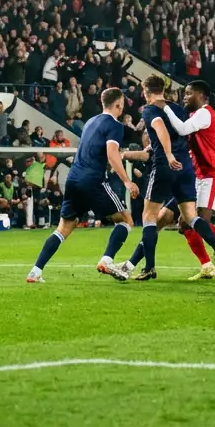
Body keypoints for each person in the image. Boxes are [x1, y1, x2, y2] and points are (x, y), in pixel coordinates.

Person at [25, 87, 139, 283]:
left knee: (64, 228)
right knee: (125, 220)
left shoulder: (91, 122)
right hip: (93, 180)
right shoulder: (115, 125)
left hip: (74, 179)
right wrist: (127, 181)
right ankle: (106, 260)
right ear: (119, 105)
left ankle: (35, 272)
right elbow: (112, 154)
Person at [128, 76, 215, 281]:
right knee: (189, 217)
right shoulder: (178, 109)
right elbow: (182, 133)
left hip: (166, 165)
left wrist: (167, 154)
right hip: (186, 168)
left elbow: (161, 129)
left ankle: (149, 267)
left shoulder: (150, 109)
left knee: (149, 217)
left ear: (146, 91)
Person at [158, 80, 215, 280]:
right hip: (199, 175)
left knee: (201, 221)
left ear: (201, 95)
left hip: (213, 174)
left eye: (189, 93)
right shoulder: (195, 116)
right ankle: (206, 265)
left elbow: (182, 129)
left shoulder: (205, 113)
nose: (185, 97)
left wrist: (165, 107)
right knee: (184, 223)